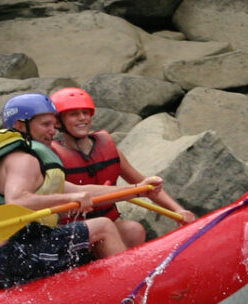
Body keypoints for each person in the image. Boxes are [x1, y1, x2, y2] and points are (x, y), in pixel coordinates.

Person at [0, 92, 165, 290]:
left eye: (54, 125)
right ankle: (133, 290)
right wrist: (70, 197)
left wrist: (138, 189)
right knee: (102, 227)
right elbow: (16, 201)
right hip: (10, 257)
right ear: (20, 126)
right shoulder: (23, 160)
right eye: (45, 125)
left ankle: (100, 292)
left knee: (124, 233)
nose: (53, 131)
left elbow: (82, 190)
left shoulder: (33, 160)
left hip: (13, 256)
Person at [49, 87, 196, 248]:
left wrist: (178, 211)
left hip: (107, 226)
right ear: (58, 122)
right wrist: (137, 189)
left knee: (133, 230)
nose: (82, 118)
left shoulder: (108, 149)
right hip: (71, 232)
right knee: (105, 226)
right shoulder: (52, 156)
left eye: (85, 112)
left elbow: (147, 186)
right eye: (73, 114)